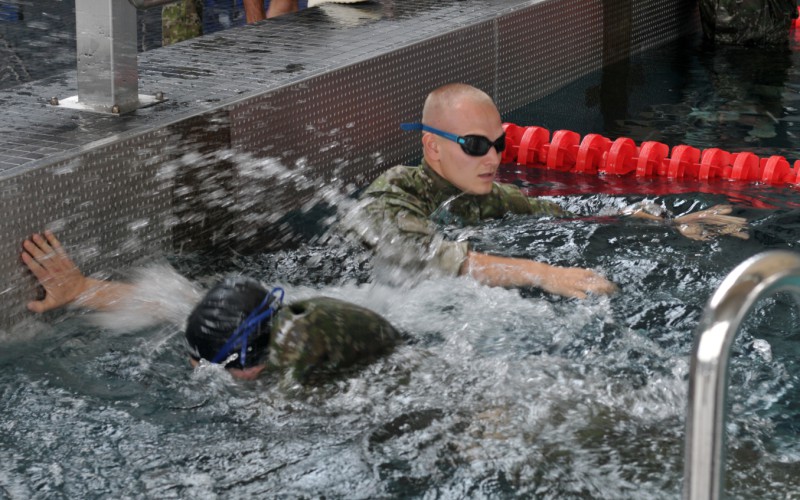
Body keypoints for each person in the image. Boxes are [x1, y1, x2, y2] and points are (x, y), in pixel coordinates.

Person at [352, 83, 749, 299]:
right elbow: (415, 255)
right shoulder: (395, 190)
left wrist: (664, 222)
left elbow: (562, 211)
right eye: (475, 145)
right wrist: (542, 274)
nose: (492, 158)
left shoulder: (487, 195)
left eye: (499, 144)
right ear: (433, 147)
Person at [21, 231, 401, 382]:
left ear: (252, 366)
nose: (194, 367)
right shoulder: (249, 318)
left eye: (206, 363)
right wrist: (82, 288)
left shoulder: (297, 382)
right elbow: (165, 300)